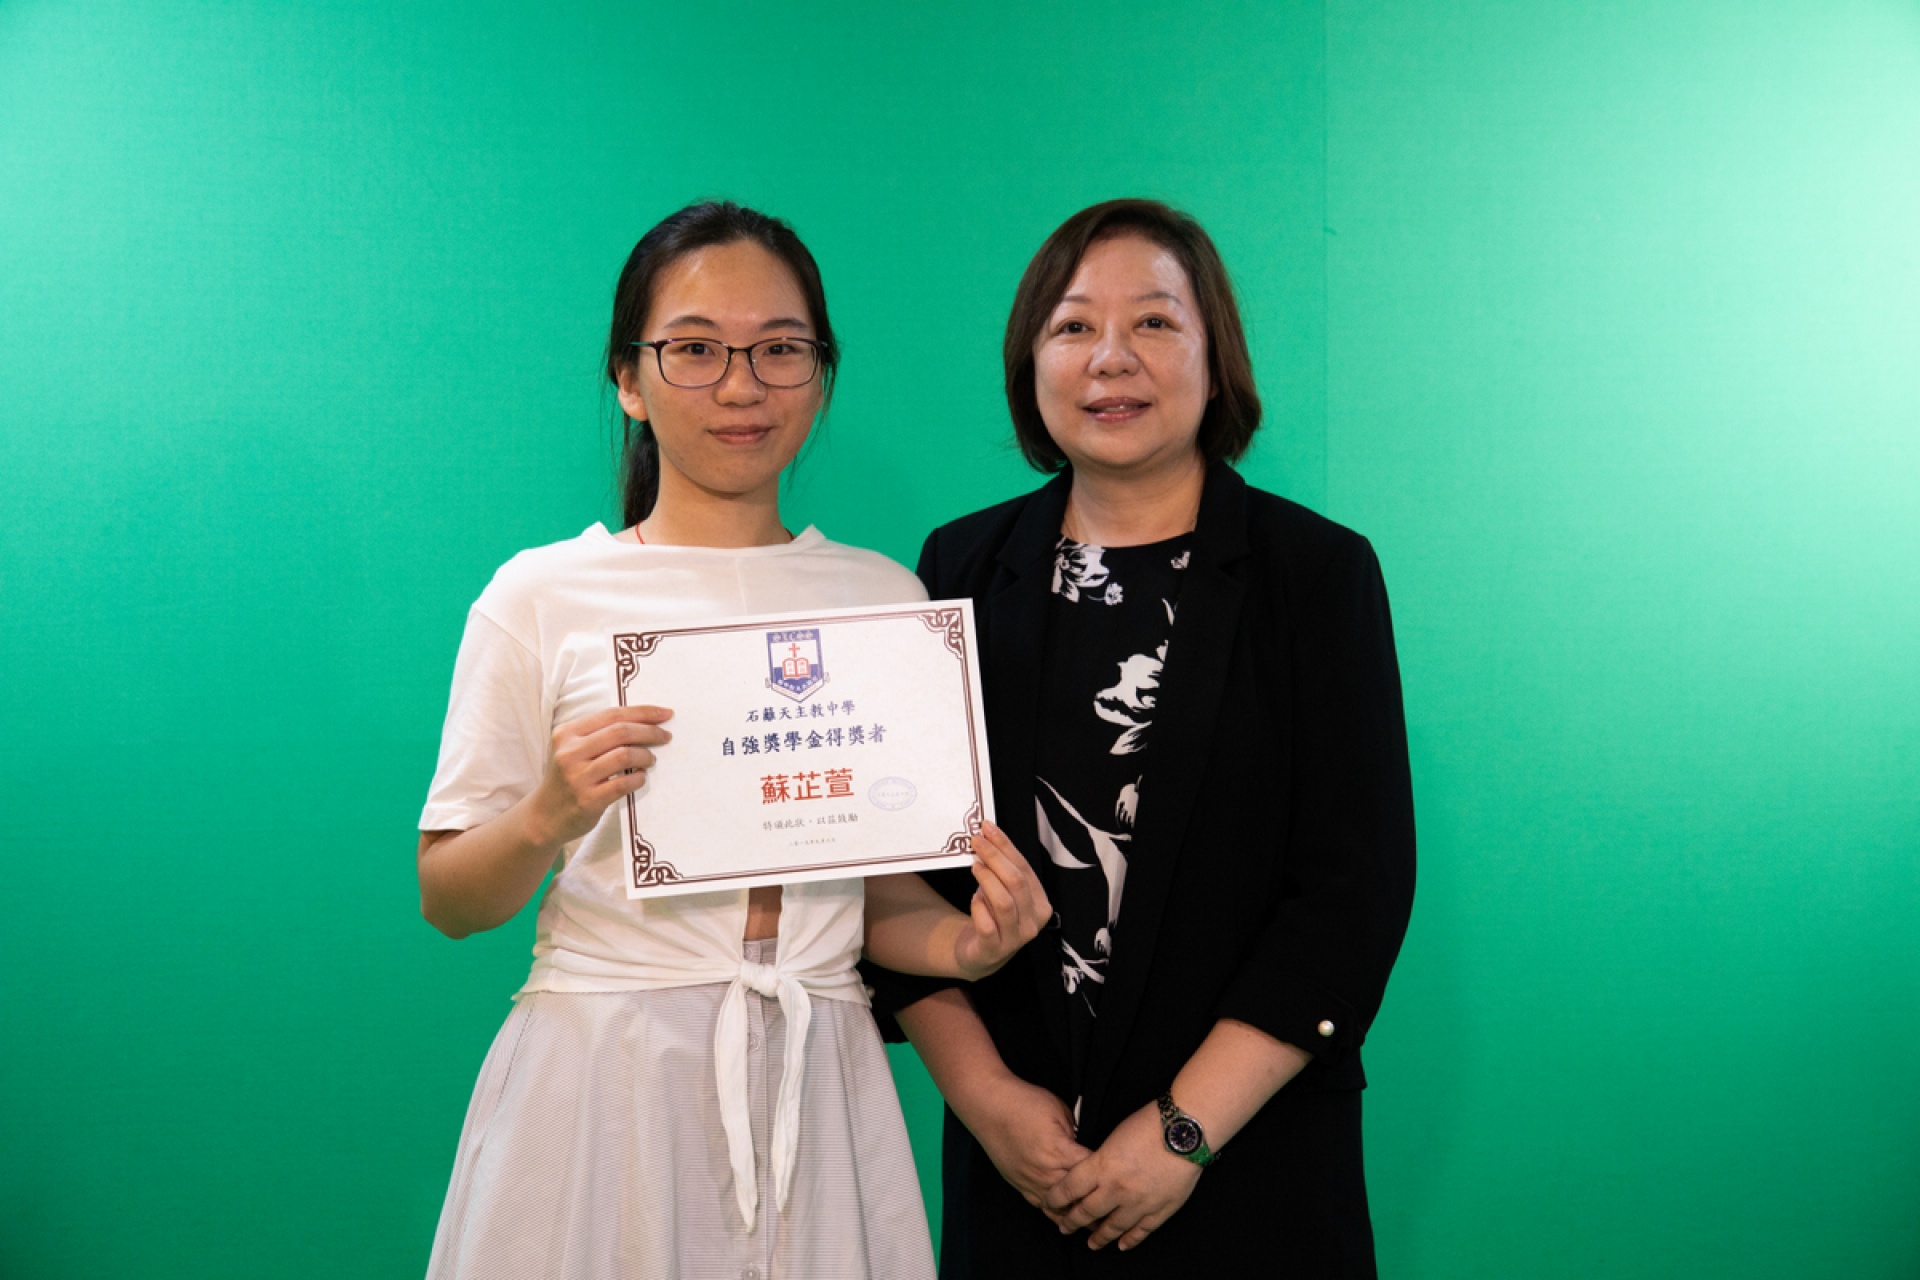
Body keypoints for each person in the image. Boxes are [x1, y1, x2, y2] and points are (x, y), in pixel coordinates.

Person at [415, 200, 1050, 1280]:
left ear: (821, 374)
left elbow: (867, 893)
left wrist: (966, 946)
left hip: (821, 1066)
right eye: (696, 348)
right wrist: (549, 813)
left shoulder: (881, 599)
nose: (742, 385)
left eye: (780, 349)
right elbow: (451, 898)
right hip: (607, 1077)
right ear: (629, 377)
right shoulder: (541, 595)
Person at [875, 199, 1416, 1277]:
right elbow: (902, 869)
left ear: (1217, 358)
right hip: (1022, 1166)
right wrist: (986, 1100)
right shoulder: (959, 569)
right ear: (1030, 361)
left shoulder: (1317, 573)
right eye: (1073, 326)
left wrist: (1182, 1133)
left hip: (1249, 1165)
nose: (1110, 357)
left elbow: (1351, 892)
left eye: (1156, 323)